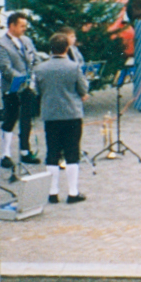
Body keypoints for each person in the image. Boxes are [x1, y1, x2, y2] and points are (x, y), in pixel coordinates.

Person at [33, 33, 90, 205]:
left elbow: (36, 90)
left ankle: (52, 192)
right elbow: (83, 88)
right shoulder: (73, 67)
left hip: (51, 115)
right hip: (71, 114)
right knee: (72, 152)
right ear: (67, 48)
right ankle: (72, 192)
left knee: (52, 152)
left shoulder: (40, 69)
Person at [0, 12, 41, 168]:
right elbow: (5, 68)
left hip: (28, 87)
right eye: (21, 26)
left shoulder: (26, 41)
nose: (24, 29)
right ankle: (5, 154)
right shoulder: (1, 44)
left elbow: (35, 58)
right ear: (12, 26)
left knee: (27, 119)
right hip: (12, 88)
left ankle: (25, 150)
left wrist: (34, 76)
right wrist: (22, 80)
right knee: (10, 119)